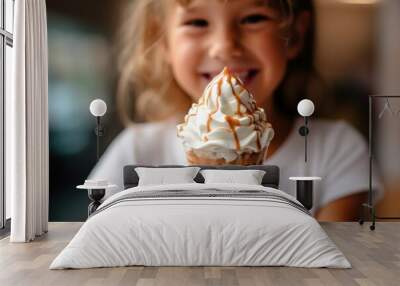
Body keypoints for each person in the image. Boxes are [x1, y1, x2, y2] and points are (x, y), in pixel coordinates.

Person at [89, 0, 381, 220]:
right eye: (197, 23)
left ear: (294, 35)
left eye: (253, 18)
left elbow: (333, 262)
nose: (225, 47)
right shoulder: (137, 149)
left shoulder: (338, 151)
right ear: (162, 39)